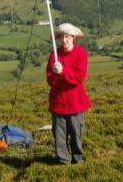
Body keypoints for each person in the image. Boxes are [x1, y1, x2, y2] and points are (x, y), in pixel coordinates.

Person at [46, 23, 92, 165]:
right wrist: (55, 73)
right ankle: (63, 162)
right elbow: (50, 81)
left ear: (73, 38)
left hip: (76, 103)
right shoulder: (54, 55)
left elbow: (78, 79)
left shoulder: (82, 54)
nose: (64, 40)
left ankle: (77, 160)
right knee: (60, 137)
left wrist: (63, 71)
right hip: (58, 103)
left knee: (76, 134)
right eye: (61, 37)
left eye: (67, 37)